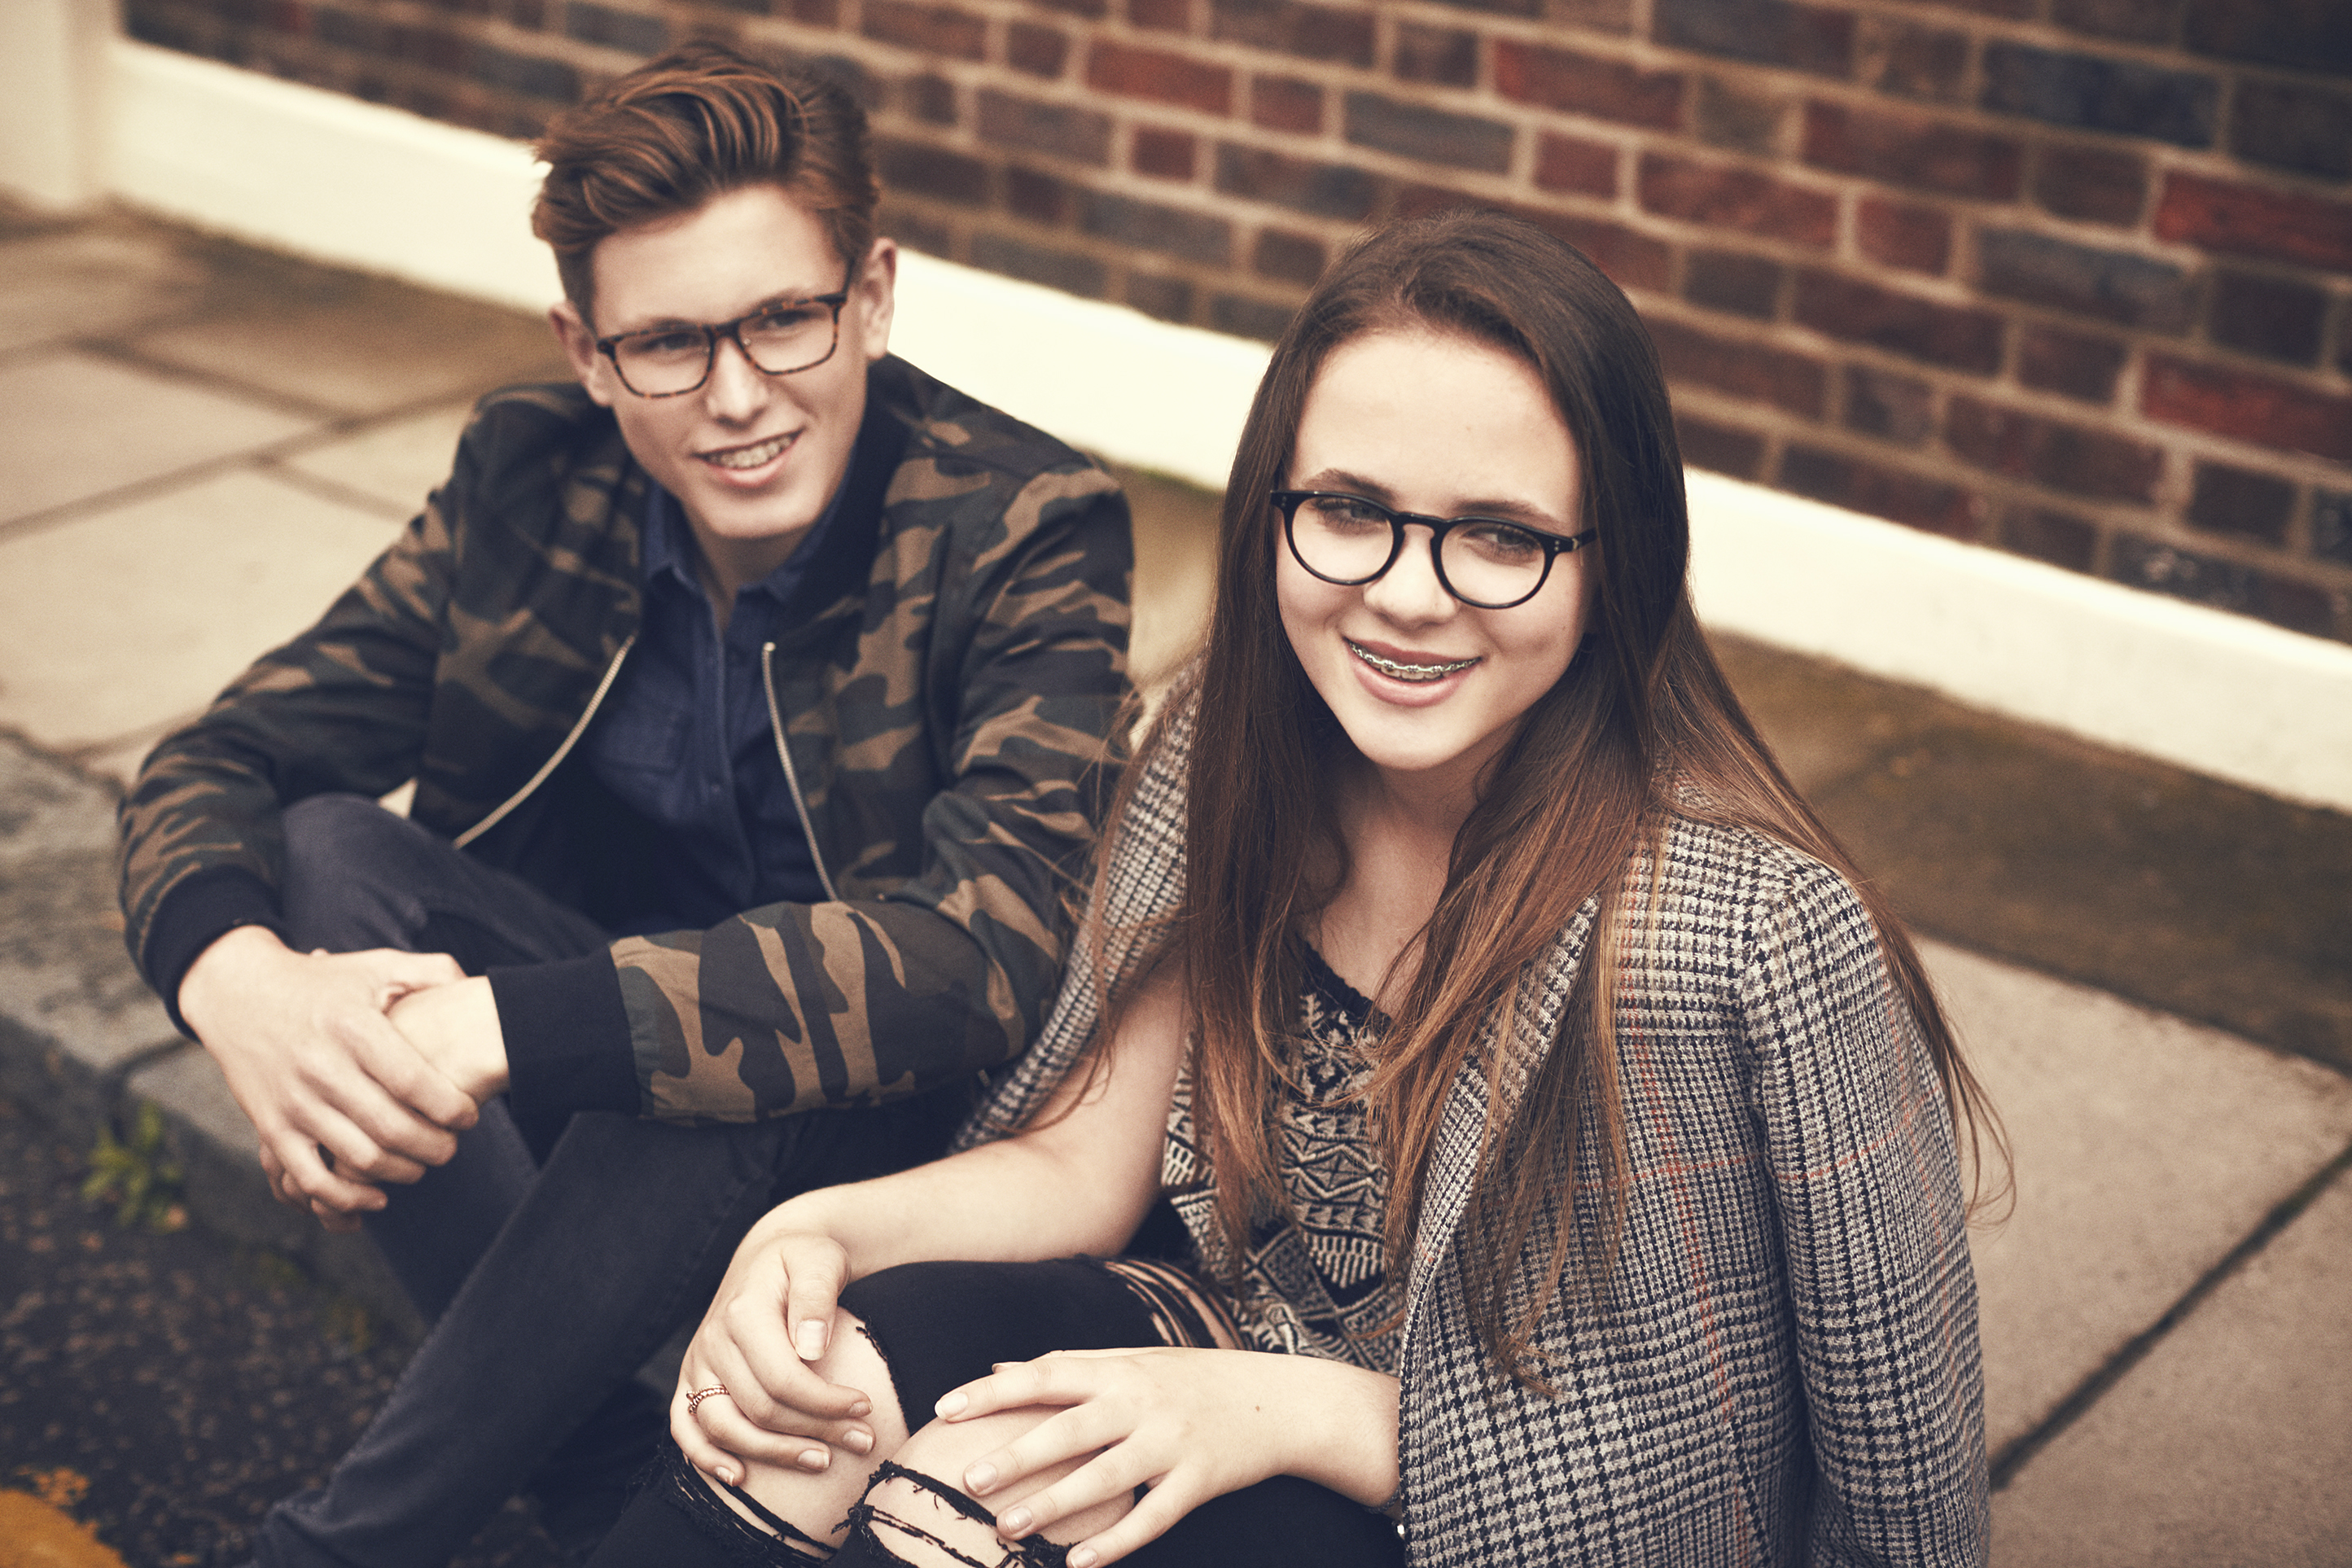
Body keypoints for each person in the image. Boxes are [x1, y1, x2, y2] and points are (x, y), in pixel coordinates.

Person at [587, 208, 2000, 1568]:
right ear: (1274, 505)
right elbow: (1089, 1157)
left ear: (1612, 561)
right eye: (1348, 508)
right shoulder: (1227, 741)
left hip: (1495, 1511)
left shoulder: (1748, 932)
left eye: (1500, 535)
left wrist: (1300, 1414)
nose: (1404, 592)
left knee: (970, 1502)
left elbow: (1848, 1480)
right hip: (1224, 1355)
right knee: (807, 1399)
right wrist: (818, 1231)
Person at [112, 42, 1132, 1567]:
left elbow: (987, 950)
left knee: (714, 1042)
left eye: (785, 319)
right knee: (328, 859)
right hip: (597, 1096)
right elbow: (226, 762)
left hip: (890, 1140)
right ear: (586, 351)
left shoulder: (1025, 527)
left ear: (873, 293)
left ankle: (340, 1545)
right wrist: (241, 986)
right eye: (665, 342)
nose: (736, 398)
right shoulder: (532, 485)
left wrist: (492, 1028)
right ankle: (592, 1470)